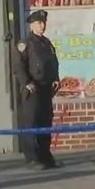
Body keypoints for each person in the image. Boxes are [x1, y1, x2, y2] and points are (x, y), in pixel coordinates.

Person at [12, 9, 61, 170]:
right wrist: (27, 82)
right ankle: (32, 158)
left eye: (43, 23)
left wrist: (55, 79)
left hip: (46, 89)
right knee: (31, 123)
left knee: (45, 123)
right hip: (33, 89)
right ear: (32, 25)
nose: (42, 25)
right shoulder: (25, 44)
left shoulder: (46, 43)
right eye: (39, 23)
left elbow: (53, 63)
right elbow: (18, 66)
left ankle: (45, 156)